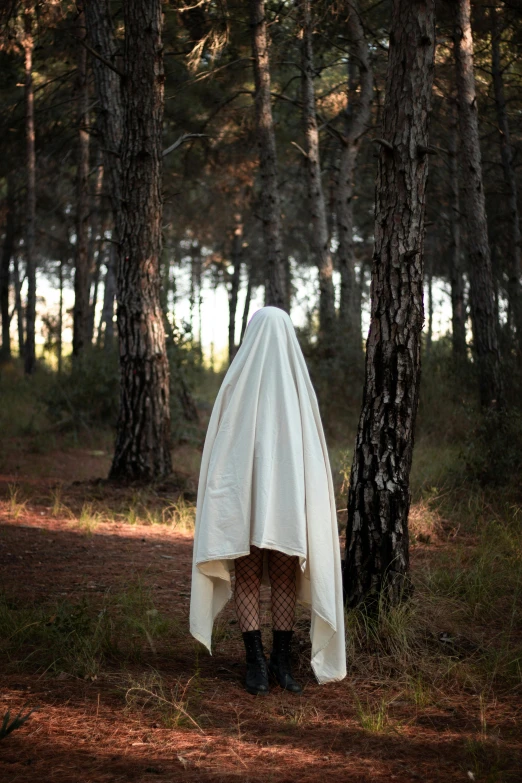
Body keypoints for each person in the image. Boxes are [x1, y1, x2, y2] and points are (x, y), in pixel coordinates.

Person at [189, 306, 346, 695]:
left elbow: (308, 455)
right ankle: (254, 659)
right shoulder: (237, 383)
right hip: (244, 498)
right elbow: (223, 446)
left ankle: (280, 658)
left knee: (280, 571)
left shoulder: (297, 387)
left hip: (286, 501)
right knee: (252, 568)